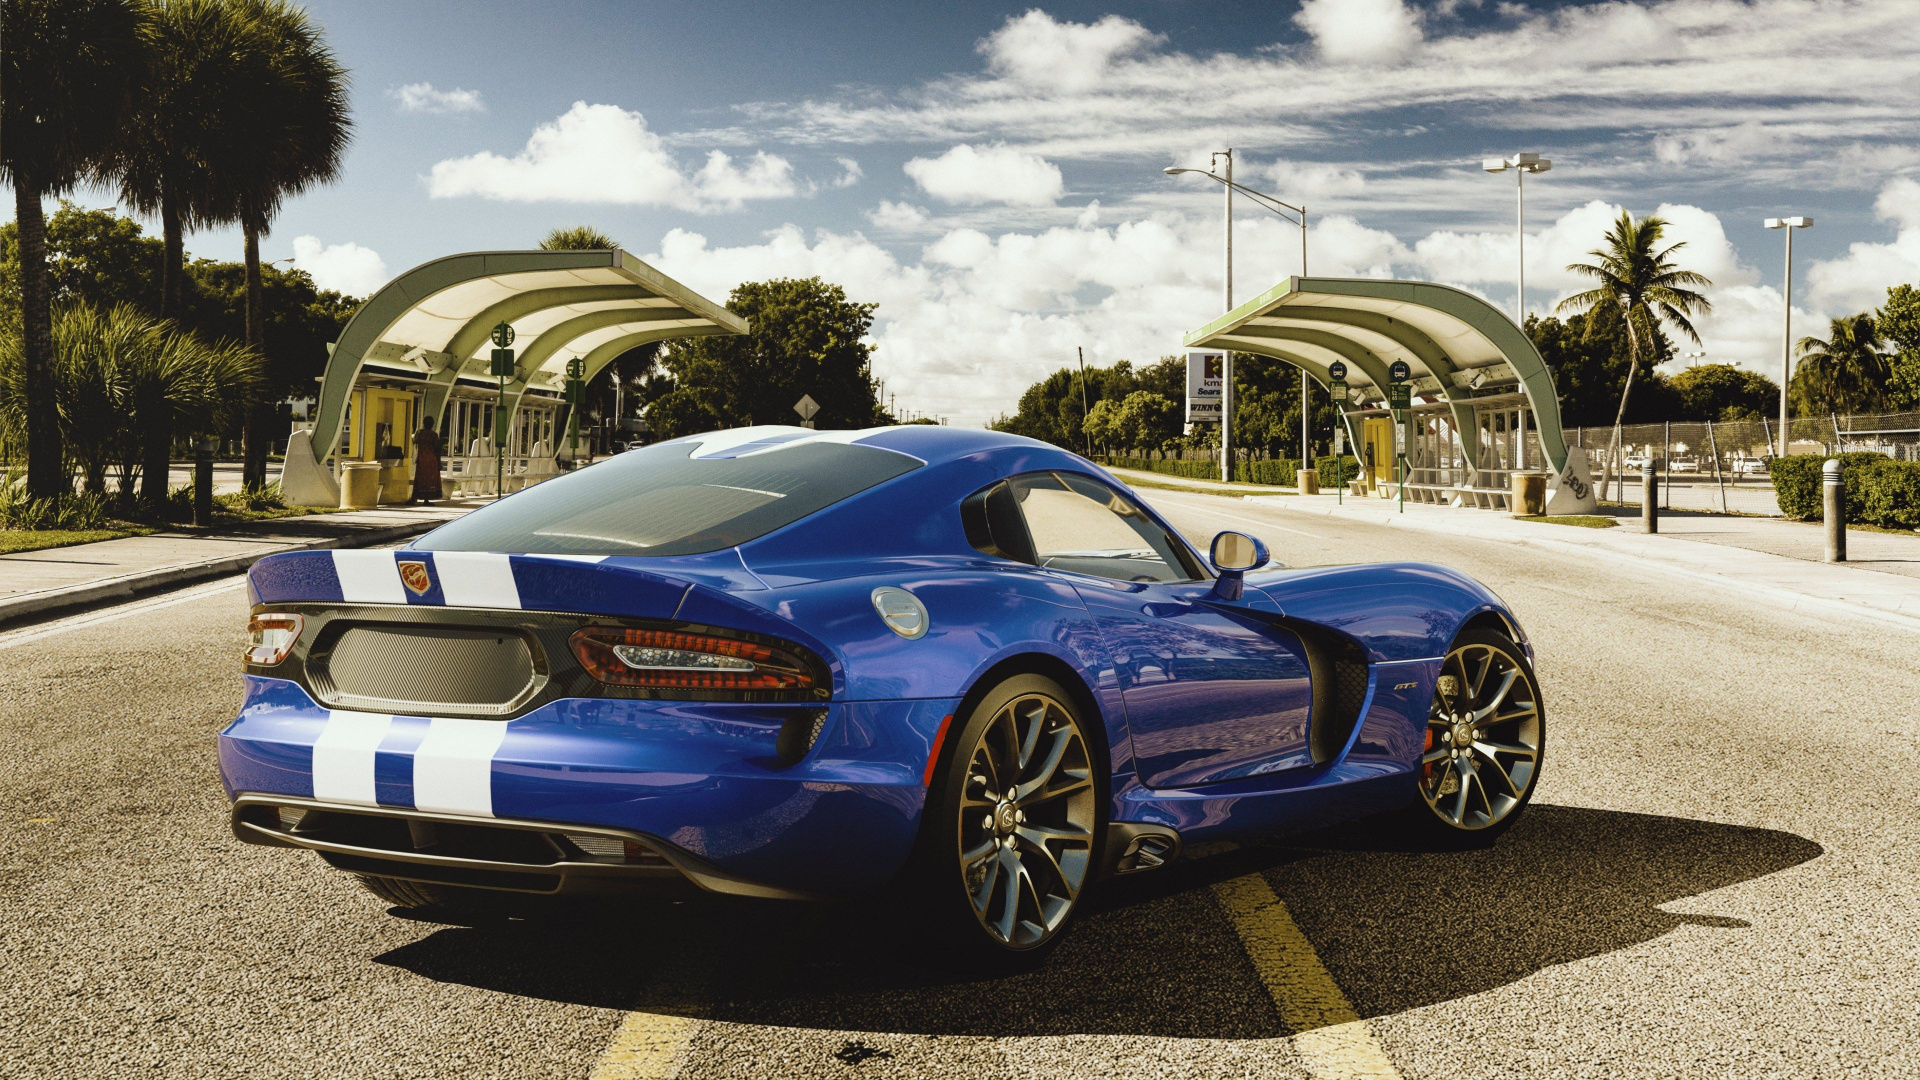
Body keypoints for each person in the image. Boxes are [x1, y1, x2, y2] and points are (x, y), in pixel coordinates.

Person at [411, 416, 443, 504]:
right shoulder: (433, 435)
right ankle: (426, 499)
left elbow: (414, 443)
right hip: (431, 460)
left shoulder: (419, 433)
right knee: (429, 479)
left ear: (424, 423)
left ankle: (414, 497)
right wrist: (439, 462)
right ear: (432, 424)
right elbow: (437, 449)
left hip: (421, 459)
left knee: (419, 478)